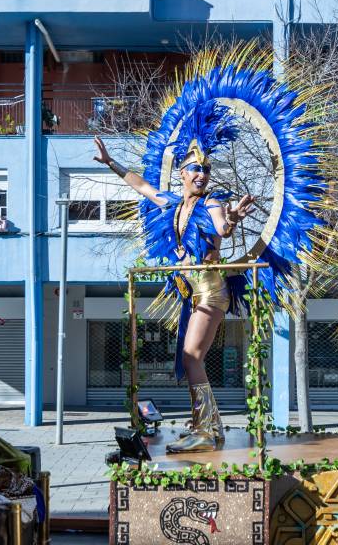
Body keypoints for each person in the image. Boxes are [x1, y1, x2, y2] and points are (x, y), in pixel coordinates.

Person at [93, 135, 255, 453]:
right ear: (182, 173)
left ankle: (204, 431)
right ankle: (211, 426)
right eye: (196, 168)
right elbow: (142, 186)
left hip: (211, 291)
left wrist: (233, 217)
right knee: (191, 358)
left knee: (191, 357)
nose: (202, 174)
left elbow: (223, 228)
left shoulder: (211, 203)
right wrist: (111, 163)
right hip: (192, 294)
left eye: (206, 170)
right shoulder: (174, 205)